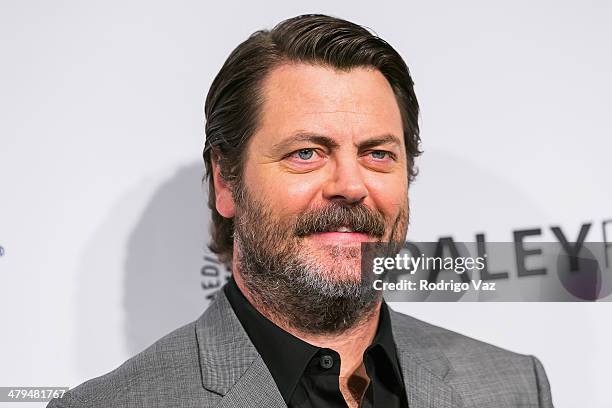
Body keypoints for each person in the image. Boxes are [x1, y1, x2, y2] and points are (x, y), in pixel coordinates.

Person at [48, 14, 554, 408]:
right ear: (226, 180)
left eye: (378, 154)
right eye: (306, 153)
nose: (351, 186)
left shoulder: (513, 387)